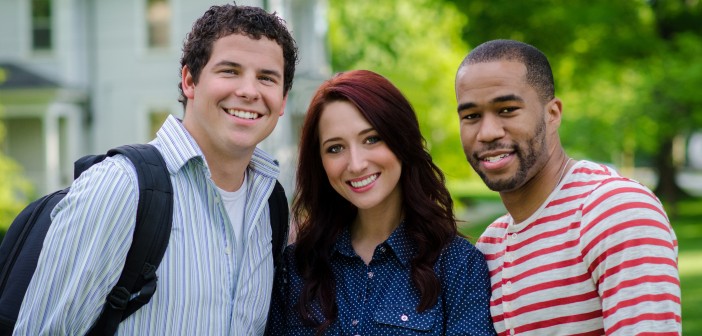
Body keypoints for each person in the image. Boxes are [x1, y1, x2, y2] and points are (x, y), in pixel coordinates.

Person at [14, 4, 298, 335]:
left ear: (282, 101)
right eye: (230, 71)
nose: (249, 91)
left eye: (266, 78)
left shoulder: (270, 205)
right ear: (190, 81)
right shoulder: (122, 187)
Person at [454, 39, 681, 335]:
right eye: (471, 116)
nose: (488, 132)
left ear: (553, 114)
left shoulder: (616, 211)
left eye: (507, 109)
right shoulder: (491, 245)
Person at [265, 69, 496, 335]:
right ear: (320, 163)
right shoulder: (296, 267)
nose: (356, 163)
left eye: (371, 139)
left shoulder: (458, 266)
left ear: (401, 140)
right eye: (335, 148)